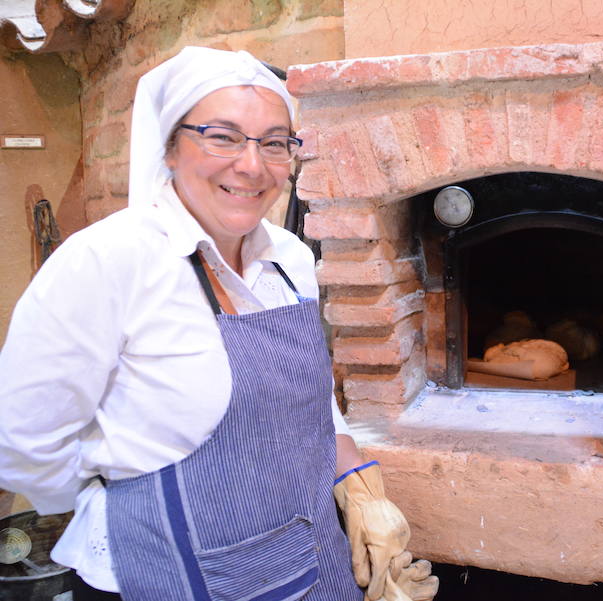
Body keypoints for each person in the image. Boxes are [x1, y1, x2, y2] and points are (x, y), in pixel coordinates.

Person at [0, 47, 438, 601]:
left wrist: (355, 483)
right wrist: (112, 497)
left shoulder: (290, 258)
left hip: (306, 555)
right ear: (170, 148)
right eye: (222, 136)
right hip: (165, 572)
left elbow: (305, 395)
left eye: (275, 142)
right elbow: (23, 439)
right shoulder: (108, 262)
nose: (252, 166)